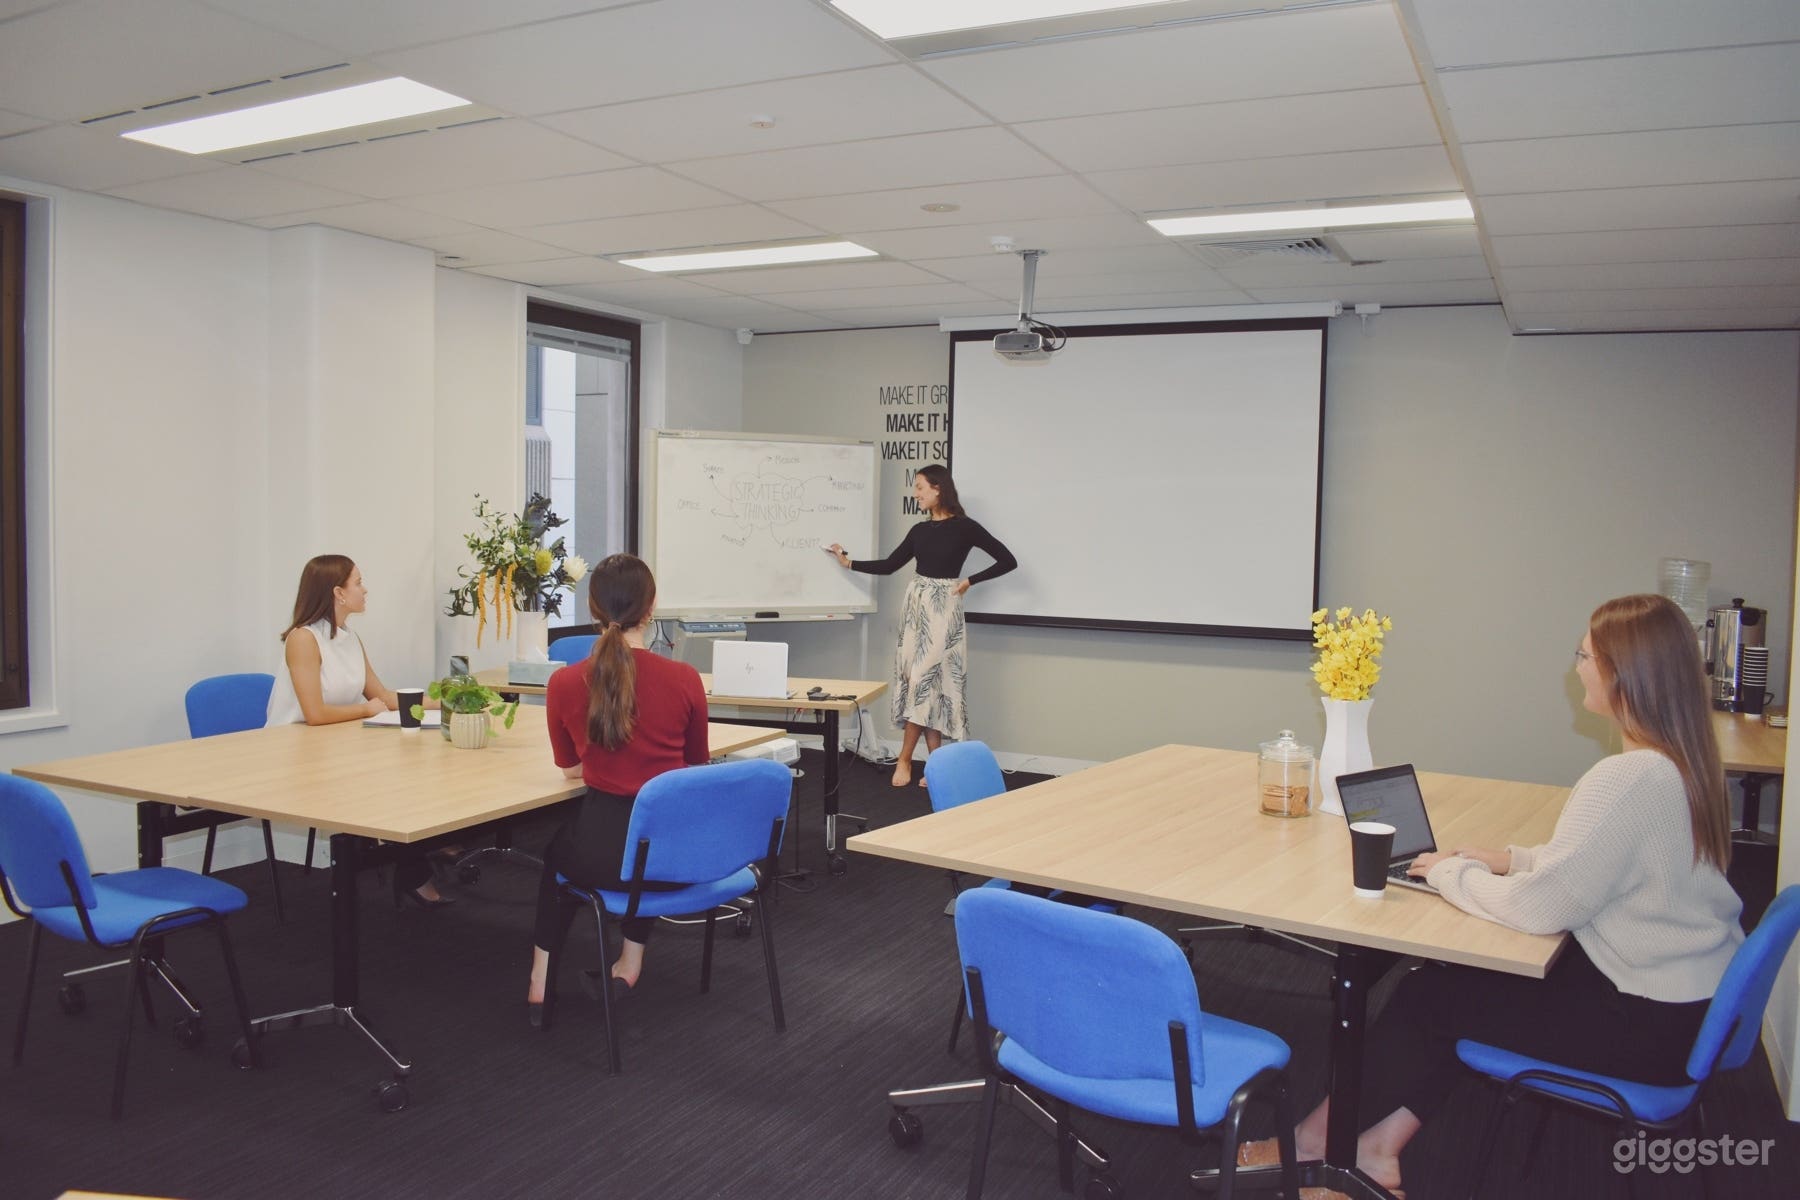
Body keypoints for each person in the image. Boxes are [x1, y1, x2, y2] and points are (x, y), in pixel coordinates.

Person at [1240, 593, 1744, 1196]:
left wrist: (1447, 875)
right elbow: (1608, 868)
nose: (1577, 665)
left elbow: (1542, 909)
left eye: (1584, 654)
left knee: (1435, 995)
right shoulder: (1685, 762)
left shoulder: (1630, 777)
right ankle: (1376, 1147)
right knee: (1455, 980)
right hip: (1684, 1006)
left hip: (1646, 1027)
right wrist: (1510, 860)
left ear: (1622, 674)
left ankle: (1317, 1144)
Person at [525, 553, 711, 1026]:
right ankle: (630, 962)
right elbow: (695, 767)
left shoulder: (565, 682)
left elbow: (569, 770)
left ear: (593, 610)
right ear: (650, 610)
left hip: (600, 857)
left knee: (556, 854)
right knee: (648, 831)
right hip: (672, 858)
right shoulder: (685, 678)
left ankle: (539, 981)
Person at [267, 554, 449, 908]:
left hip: (334, 747)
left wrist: (444, 702)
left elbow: (381, 696)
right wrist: (366, 710)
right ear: (337, 592)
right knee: (388, 782)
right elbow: (315, 714)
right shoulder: (302, 639)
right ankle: (415, 864)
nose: (365, 590)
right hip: (293, 755)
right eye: (358, 583)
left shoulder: (349, 636)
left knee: (410, 775)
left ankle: (417, 862)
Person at [828, 464, 1016, 787]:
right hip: (916, 608)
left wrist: (971, 579)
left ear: (937, 488)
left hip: (945, 610)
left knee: (926, 683)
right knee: (929, 686)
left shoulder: (966, 528)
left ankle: (904, 759)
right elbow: (889, 565)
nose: (915, 494)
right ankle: (936, 764)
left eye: (919, 487)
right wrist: (849, 562)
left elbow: (1007, 560)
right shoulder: (919, 531)